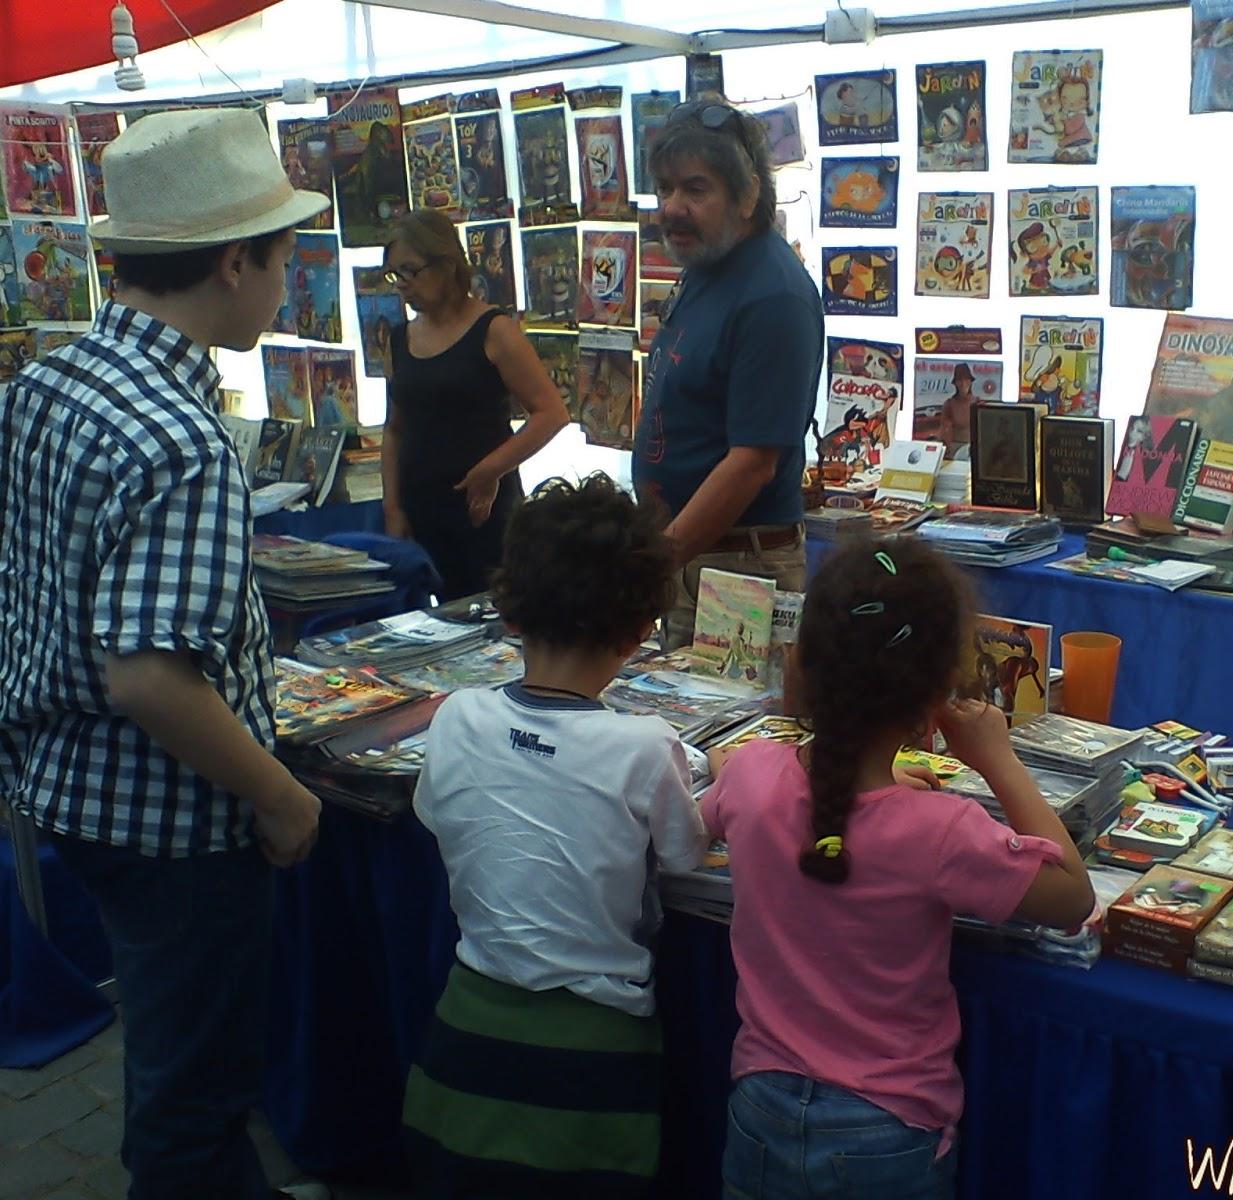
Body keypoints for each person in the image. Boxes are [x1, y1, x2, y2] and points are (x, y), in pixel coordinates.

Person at [0, 109, 326, 1200]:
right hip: (172, 822)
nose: (287, 283)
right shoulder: (180, 436)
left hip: (69, 791)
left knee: (178, 1062)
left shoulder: (51, 382)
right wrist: (280, 798)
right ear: (235, 263)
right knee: (194, 1098)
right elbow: (146, 675)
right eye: (282, 258)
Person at [701, 540, 1094, 1199]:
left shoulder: (752, 777)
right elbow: (1072, 896)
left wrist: (767, 768)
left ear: (800, 665)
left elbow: (735, 779)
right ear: (938, 693)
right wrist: (999, 761)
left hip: (760, 1110)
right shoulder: (941, 830)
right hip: (888, 1130)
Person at [402, 474, 705, 1196]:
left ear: (509, 611)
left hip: (462, 1043)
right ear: (640, 632)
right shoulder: (645, 746)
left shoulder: (455, 716)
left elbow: (433, 811)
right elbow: (689, 857)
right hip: (596, 1066)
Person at [633, 99, 824, 648]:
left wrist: (655, 563)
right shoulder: (706, 267)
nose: (672, 208)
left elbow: (751, 464)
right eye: (665, 189)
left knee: (728, 733)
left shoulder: (772, 295)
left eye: (696, 190)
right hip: (693, 558)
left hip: (740, 568)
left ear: (747, 197)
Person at [382, 208, 569, 600]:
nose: (401, 285)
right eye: (394, 274)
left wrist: (491, 469)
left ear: (446, 265)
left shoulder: (493, 329)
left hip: (482, 512)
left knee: (493, 617)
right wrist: (393, 507)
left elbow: (551, 413)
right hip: (421, 511)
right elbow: (394, 428)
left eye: (410, 271)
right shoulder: (400, 339)